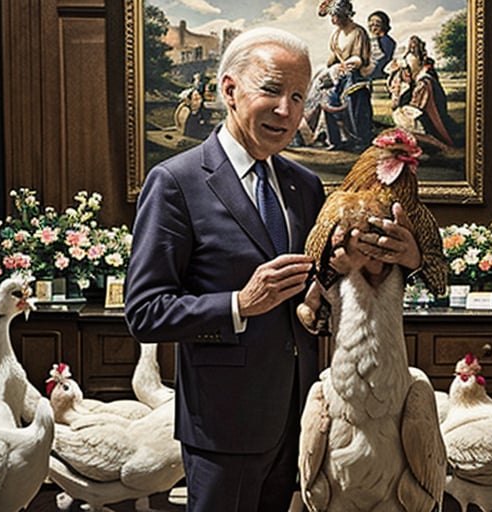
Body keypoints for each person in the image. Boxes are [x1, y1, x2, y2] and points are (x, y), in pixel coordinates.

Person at [124, 26, 422, 512]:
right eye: (272, 91)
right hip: (224, 425)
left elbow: (319, 293)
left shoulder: (304, 187)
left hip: (304, 419)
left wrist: (384, 265)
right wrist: (239, 304)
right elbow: (146, 313)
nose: (288, 110)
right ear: (229, 90)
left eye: (300, 96)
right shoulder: (175, 183)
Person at [319, 0, 373, 151]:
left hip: (357, 76)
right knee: (326, 96)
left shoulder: (358, 32)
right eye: (332, 16)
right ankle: (336, 141)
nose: (333, 20)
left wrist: (346, 66)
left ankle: (360, 140)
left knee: (353, 98)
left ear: (346, 15)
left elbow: (360, 58)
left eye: (336, 16)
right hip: (341, 74)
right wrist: (326, 67)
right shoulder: (336, 35)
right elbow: (335, 56)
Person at [365, 10, 396, 80]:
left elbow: (383, 60)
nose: (374, 24)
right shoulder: (369, 39)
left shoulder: (387, 41)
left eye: (377, 22)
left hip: (378, 73)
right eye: (371, 21)